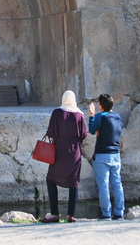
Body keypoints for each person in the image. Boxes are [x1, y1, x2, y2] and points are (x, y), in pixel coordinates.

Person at [40, 90, 88, 223]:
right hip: (74, 152)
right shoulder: (80, 115)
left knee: (51, 179)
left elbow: (50, 133)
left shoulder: (57, 112)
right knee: (74, 182)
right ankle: (71, 215)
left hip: (59, 152)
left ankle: (54, 213)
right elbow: (84, 135)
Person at [88, 93, 125, 220]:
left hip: (102, 155)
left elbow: (92, 130)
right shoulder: (118, 116)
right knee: (117, 183)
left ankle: (106, 213)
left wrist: (92, 115)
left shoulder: (100, 116)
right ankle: (119, 212)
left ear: (100, 106)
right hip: (115, 154)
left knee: (103, 185)